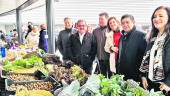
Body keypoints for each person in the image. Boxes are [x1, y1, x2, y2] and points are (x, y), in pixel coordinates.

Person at [140, 6, 170, 93]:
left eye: (161, 16)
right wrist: (143, 76)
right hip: (151, 83)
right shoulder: (153, 39)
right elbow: (147, 59)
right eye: (154, 16)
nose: (156, 18)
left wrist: (168, 83)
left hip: (165, 86)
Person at [117, 14, 147, 82]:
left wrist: (143, 75)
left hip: (136, 76)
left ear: (133, 22)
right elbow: (119, 56)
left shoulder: (142, 36)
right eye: (123, 23)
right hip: (123, 74)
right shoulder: (122, 37)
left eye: (127, 22)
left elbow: (145, 57)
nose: (125, 25)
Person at [93, 12, 110, 77]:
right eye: (99, 19)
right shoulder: (95, 31)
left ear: (107, 19)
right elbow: (94, 44)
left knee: (112, 77)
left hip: (109, 58)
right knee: (103, 76)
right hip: (100, 59)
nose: (100, 21)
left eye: (102, 19)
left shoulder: (111, 29)